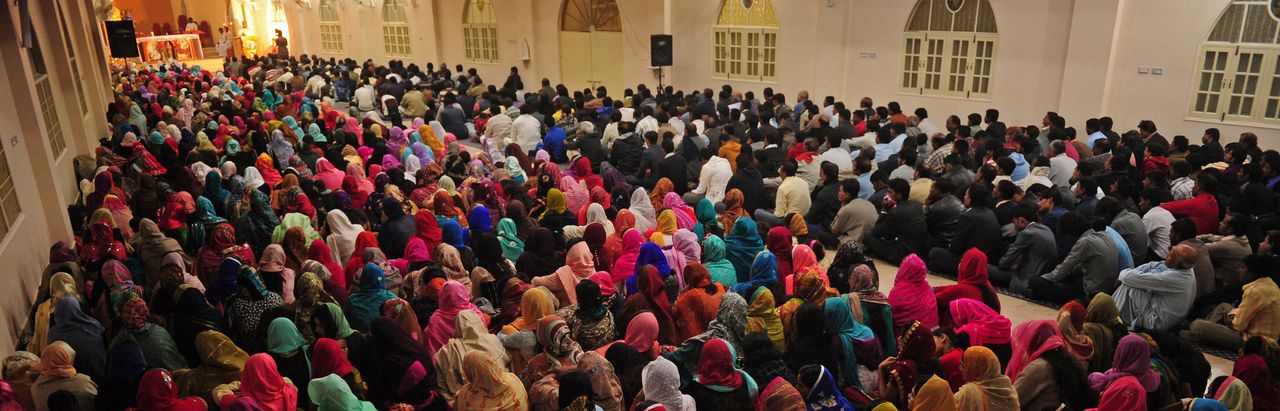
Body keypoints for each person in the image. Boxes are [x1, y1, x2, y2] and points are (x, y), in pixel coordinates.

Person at [1113, 244, 1198, 331]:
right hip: (1165, 311)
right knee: (1147, 274)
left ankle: (1112, 316)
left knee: (1130, 286)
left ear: (1176, 264)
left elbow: (1127, 278)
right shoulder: (1186, 268)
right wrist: (1132, 273)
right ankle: (1114, 311)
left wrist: (1122, 275)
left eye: (1169, 255)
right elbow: (1153, 265)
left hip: (1157, 322)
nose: (1166, 255)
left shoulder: (1171, 279)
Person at [865, 178, 930, 263]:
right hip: (922, 253)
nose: (886, 194)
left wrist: (884, 210)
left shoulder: (895, 213)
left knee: (867, 238)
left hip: (904, 255)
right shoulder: (916, 204)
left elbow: (876, 232)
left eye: (889, 192)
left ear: (899, 194)